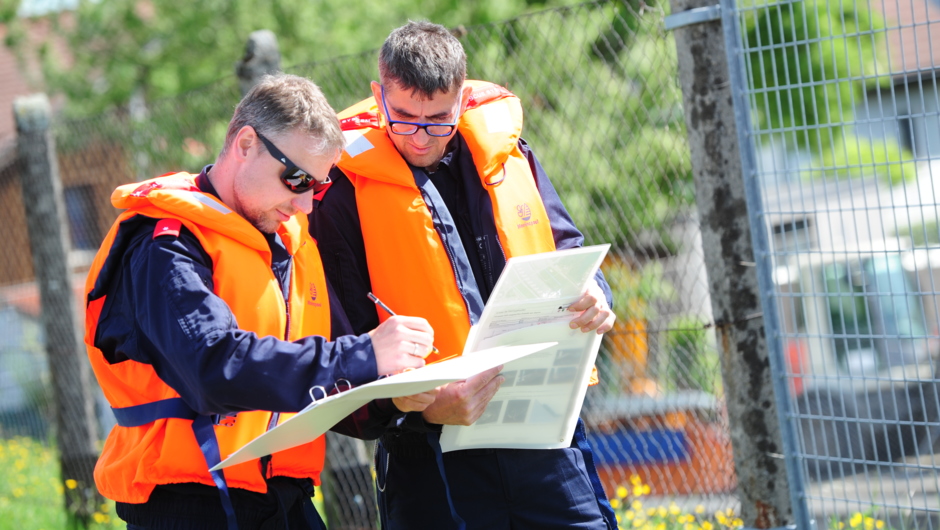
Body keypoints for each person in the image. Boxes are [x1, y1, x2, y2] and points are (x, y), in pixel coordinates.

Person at [84, 73, 438, 530]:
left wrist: (396, 393)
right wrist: (366, 353)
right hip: (191, 503)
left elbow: (333, 368)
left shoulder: (291, 244)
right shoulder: (165, 243)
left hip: (282, 497)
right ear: (246, 143)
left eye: (319, 187)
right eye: (296, 179)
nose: (307, 203)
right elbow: (214, 368)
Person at [310, 21, 619, 530]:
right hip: (428, 455)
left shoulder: (509, 154)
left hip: (544, 436)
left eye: (439, 120)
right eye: (404, 118)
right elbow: (339, 343)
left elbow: (568, 250)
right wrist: (421, 410)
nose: (420, 136)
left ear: (463, 98)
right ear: (377, 94)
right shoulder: (339, 196)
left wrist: (596, 293)